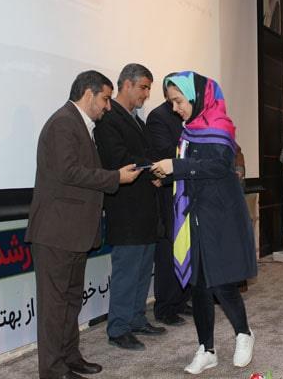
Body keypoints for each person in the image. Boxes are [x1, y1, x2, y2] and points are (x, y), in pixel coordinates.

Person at [25, 70, 141, 379]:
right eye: (105, 99)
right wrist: (115, 177)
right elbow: (69, 172)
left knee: (70, 300)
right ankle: (53, 370)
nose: (108, 106)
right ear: (88, 94)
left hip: (72, 232)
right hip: (56, 232)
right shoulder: (63, 123)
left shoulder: (79, 124)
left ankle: (69, 357)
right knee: (54, 305)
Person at [151, 71, 257, 374]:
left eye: (179, 101)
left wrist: (176, 165)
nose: (175, 108)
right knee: (197, 285)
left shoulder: (219, 126)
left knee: (222, 282)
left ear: (196, 97)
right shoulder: (190, 130)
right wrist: (167, 176)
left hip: (220, 216)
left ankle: (244, 333)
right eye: (172, 102)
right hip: (193, 216)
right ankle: (206, 349)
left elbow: (218, 165)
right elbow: (192, 171)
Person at [94, 63, 166, 352]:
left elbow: (146, 155)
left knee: (142, 269)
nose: (147, 94)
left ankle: (137, 318)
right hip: (125, 210)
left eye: (148, 88)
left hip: (145, 209)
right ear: (126, 84)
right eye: (143, 87)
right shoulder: (109, 119)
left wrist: (156, 170)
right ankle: (119, 328)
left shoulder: (137, 120)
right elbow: (118, 158)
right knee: (127, 271)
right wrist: (154, 169)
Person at [145, 75, 192, 327]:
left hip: (188, 189)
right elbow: (165, 153)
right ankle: (165, 307)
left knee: (186, 248)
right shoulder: (159, 117)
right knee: (168, 252)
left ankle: (181, 300)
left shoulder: (191, 114)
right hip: (169, 193)